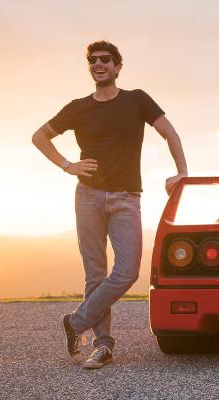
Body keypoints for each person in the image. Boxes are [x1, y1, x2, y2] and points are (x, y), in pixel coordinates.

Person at [31, 40, 188, 369]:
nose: (98, 64)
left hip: (126, 197)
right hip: (87, 196)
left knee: (128, 271)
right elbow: (40, 136)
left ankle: (75, 322)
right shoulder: (78, 107)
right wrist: (67, 165)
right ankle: (103, 345)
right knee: (95, 274)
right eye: (92, 61)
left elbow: (170, 133)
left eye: (105, 60)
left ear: (118, 67)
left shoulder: (137, 100)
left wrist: (182, 173)